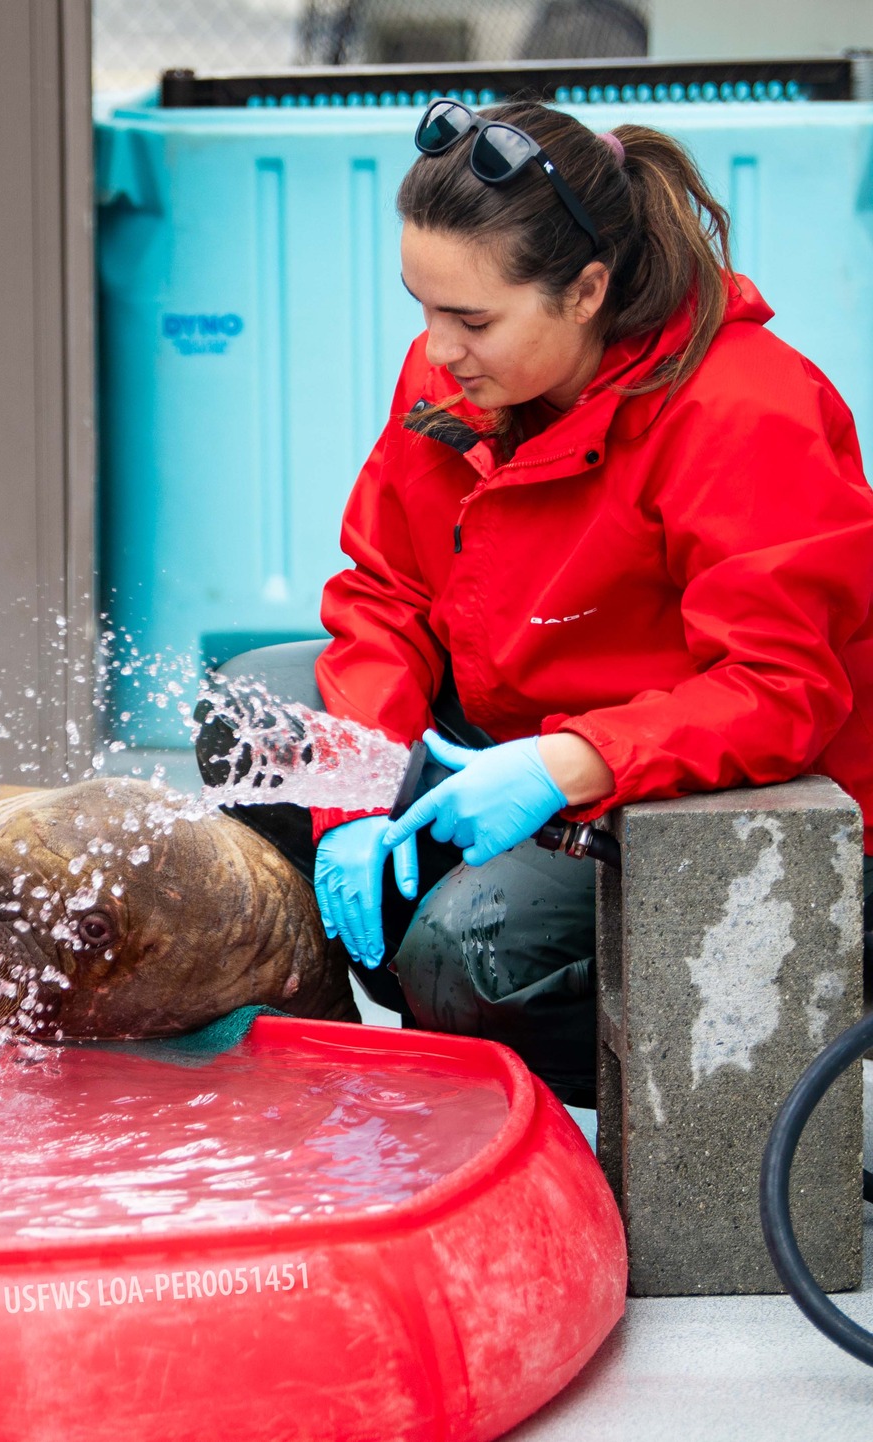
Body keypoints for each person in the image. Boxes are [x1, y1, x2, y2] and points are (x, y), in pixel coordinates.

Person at [205, 101, 873, 1103]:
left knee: (465, 956)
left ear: (587, 291)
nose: (435, 346)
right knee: (254, 716)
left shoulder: (746, 411)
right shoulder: (454, 379)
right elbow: (384, 593)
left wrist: (572, 760)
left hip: (685, 793)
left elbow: (779, 689)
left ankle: (608, 1087)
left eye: (470, 318)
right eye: (420, 306)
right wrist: (346, 794)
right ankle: (324, 1083)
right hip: (505, 743)